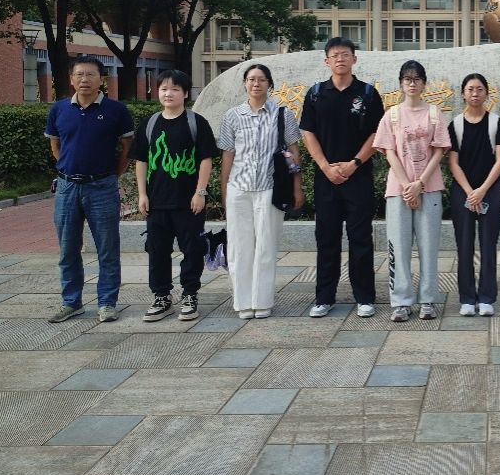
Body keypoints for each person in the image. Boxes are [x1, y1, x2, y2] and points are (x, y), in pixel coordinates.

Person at [300, 37, 384, 319]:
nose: (340, 59)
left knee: (360, 238)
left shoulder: (368, 94)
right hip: (326, 179)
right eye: (334, 55)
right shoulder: (315, 94)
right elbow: (308, 132)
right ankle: (324, 298)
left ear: (354, 59)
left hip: (358, 177)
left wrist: (354, 164)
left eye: (345, 54)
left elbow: (377, 133)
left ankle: (365, 297)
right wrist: (325, 167)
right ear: (327, 61)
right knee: (327, 239)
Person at [46, 56, 135, 323]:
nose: (84, 79)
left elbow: (127, 148)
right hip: (67, 188)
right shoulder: (59, 109)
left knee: (107, 248)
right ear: (71, 78)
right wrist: (68, 169)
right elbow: (55, 145)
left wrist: (112, 175)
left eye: (90, 74)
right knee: (67, 249)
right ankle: (71, 302)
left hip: (102, 187)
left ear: (101, 78)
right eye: (79, 74)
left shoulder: (116, 110)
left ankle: (107, 303)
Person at [131, 70, 217, 322]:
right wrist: (142, 194)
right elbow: (141, 161)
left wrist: (200, 192)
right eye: (163, 89)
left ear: (185, 93)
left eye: (175, 89)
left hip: (188, 202)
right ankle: (161, 296)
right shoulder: (150, 123)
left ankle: (190, 294)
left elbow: (206, 159)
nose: (168, 93)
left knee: (192, 249)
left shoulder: (196, 122)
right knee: (157, 250)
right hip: (157, 201)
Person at [219, 63, 303, 319]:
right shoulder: (232, 116)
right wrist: (224, 190)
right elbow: (228, 155)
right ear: (245, 83)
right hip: (239, 187)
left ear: (270, 84)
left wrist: (297, 187)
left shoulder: (283, 115)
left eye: (262, 79)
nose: (256, 84)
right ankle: (243, 302)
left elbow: (293, 153)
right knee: (239, 247)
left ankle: (262, 301)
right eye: (251, 79)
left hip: (270, 188)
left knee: (266, 245)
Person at [372, 60, 450, 322]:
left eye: (417, 79)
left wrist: (420, 184)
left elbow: (439, 151)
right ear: (401, 84)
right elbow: (389, 152)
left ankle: (428, 300)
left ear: (424, 83)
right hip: (398, 190)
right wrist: (407, 185)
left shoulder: (434, 113)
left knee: (429, 247)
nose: (412, 83)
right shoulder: (392, 115)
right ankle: (401, 302)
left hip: (429, 188)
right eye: (407, 79)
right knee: (398, 247)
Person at [448, 73, 500, 316]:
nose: (475, 93)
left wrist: (482, 190)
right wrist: (469, 192)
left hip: (490, 189)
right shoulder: (455, 125)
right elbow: (453, 163)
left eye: (479, 89)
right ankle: (466, 298)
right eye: (470, 89)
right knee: (464, 245)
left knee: (488, 244)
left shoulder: (496, 123)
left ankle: (486, 297)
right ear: (463, 93)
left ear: (486, 93)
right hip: (463, 190)